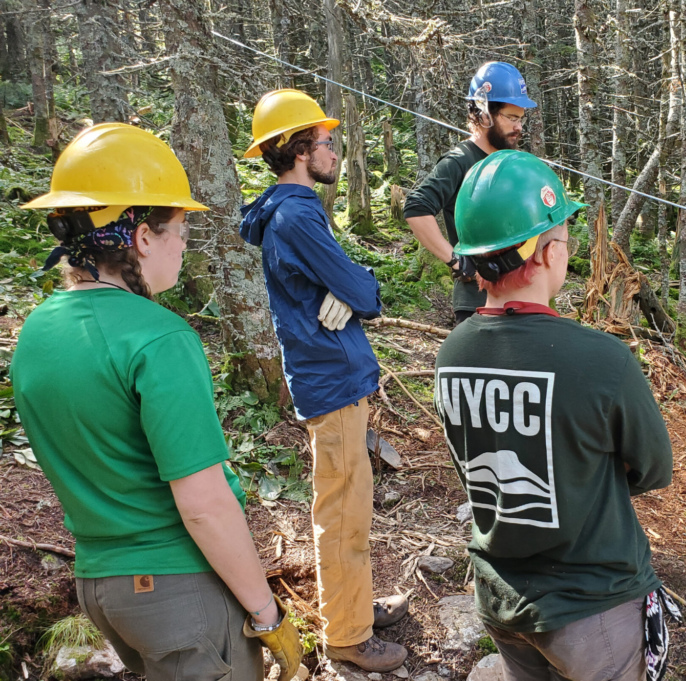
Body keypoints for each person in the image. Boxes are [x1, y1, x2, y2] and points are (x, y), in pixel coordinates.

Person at [11, 123, 302, 680]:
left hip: (102, 587)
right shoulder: (160, 338)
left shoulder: (37, 331)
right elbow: (203, 503)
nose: (184, 244)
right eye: (181, 229)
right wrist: (267, 613)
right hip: (177, 588)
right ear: (142, 237)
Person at [433, 150, 676, 681]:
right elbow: (653, 469)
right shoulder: (600, 360)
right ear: (543, 254)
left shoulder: (453, 352)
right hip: (593, 608)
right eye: (564, 237)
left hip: (499, 596)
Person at [239, 89, 408, 672]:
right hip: (331, 382)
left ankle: (352, 608)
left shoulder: (293, 211)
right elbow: (366, 292)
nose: (335, 151)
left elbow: (352, 290)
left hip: (333, 377)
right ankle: (347, 637)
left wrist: (349, 289)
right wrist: (356, 290)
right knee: (341, 514)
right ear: (297, 150)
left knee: (351, 507)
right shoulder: (295, 215)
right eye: (326, 142)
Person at [403, 62, 537, 326]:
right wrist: (455, 261)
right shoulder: (460, 161)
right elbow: (417, 207)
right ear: (485, 114)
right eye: (512, 117)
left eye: (521, 118)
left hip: (522, 296)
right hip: (478, 302)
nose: (519, 126)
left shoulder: (513, 160)